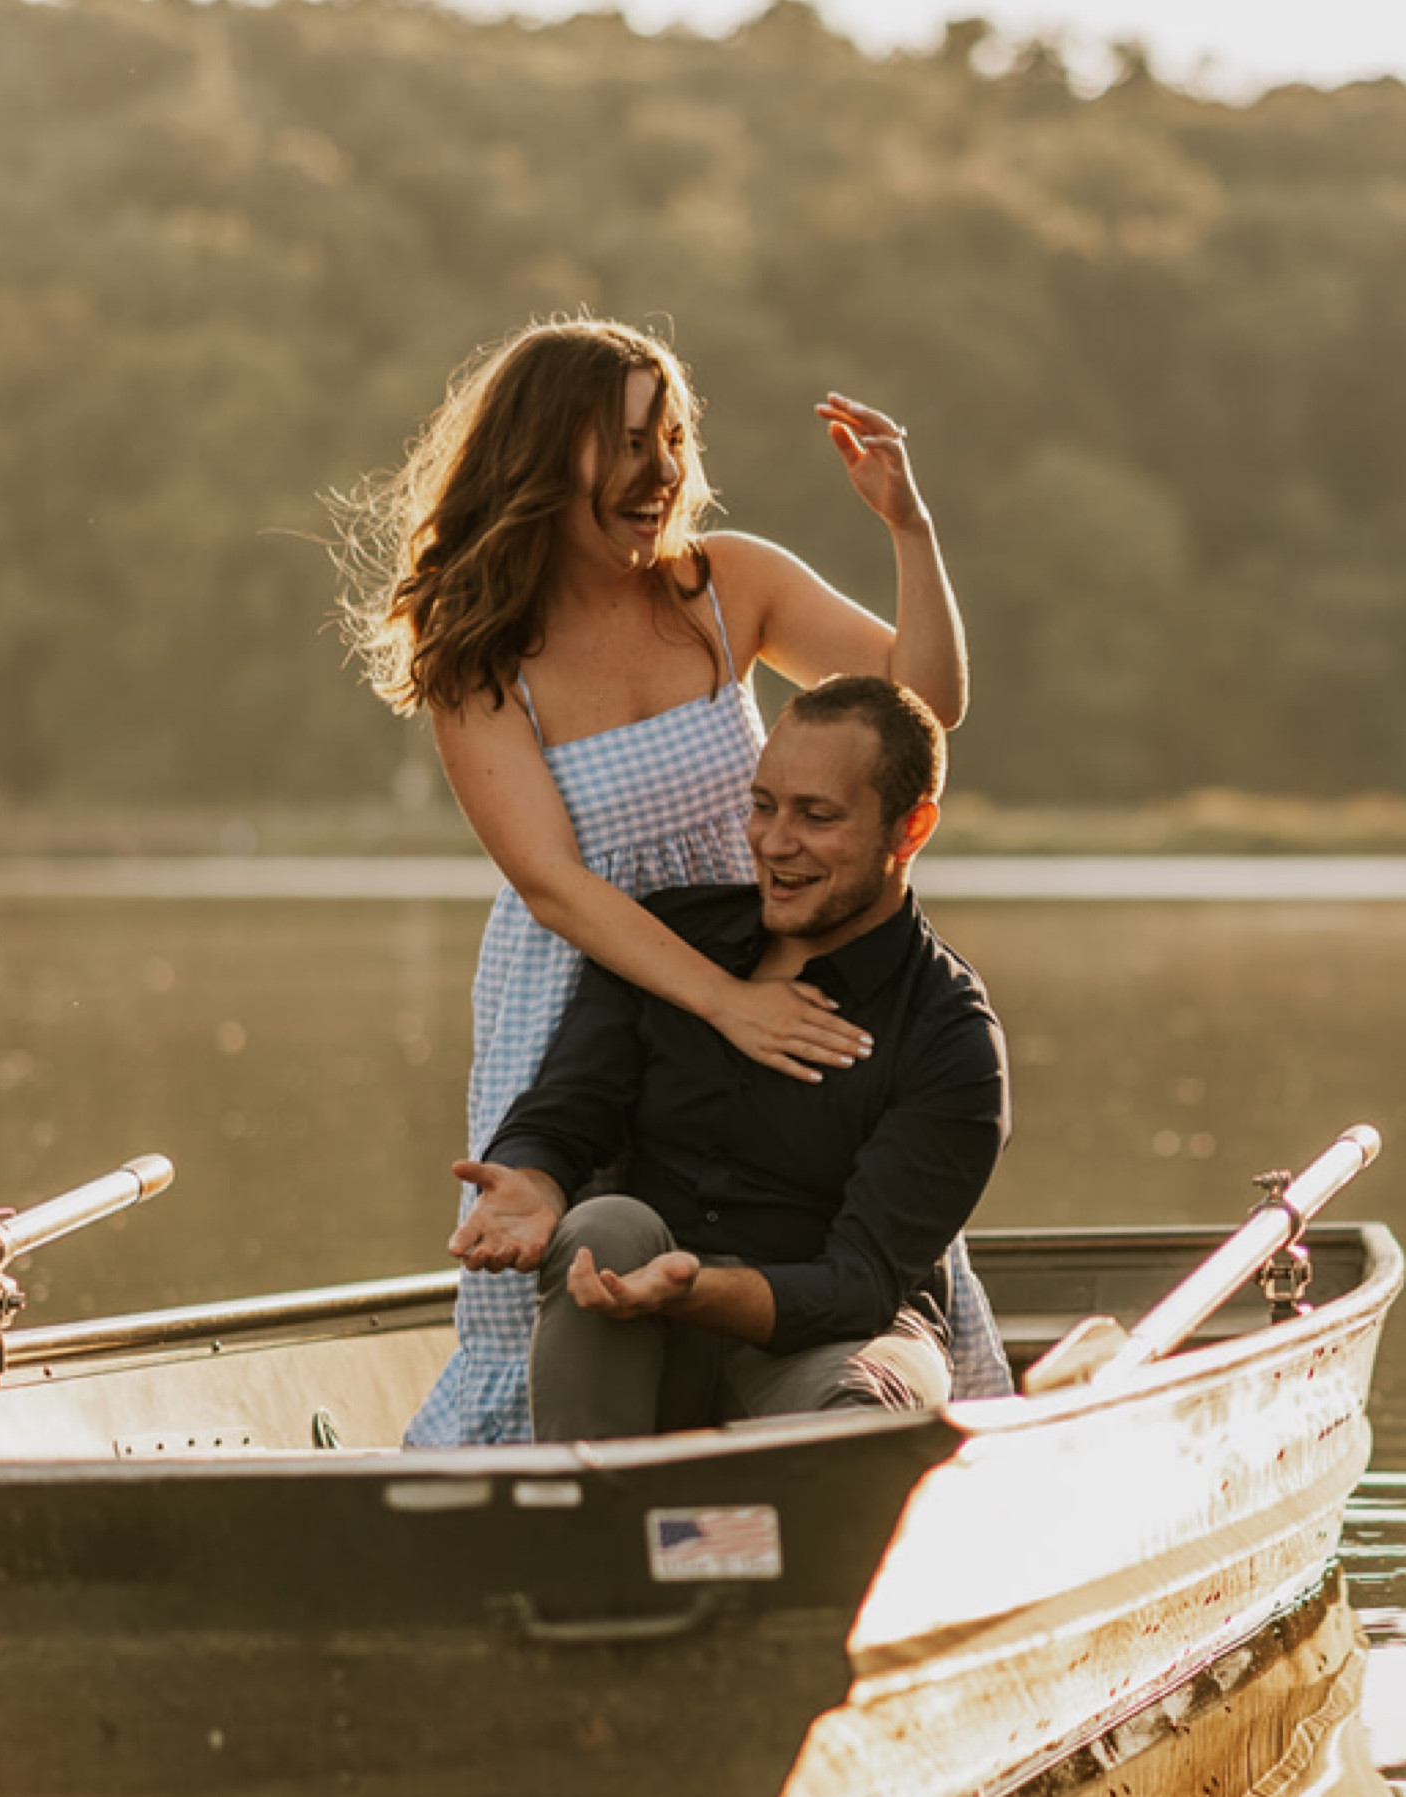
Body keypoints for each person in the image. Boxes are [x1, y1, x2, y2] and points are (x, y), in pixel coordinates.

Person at [337, 314, 990, 1445]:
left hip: (767, 944)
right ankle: (557, 1492)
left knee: (817, 1223)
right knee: (576, 1247)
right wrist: (723, 1003)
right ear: (548, 452)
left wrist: (909, 525)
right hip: (594, 977)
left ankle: (819, 1439)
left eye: (675, 439)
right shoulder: (483, 647)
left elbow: (921, 703)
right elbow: (553, 885)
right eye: (631, 443)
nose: (663, 473)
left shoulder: (724, 585)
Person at [449, 678, 1012, 1438]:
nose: (775, 843)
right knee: (603, 1225)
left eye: (817, 817)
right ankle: (592, 1530)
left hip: (829, 1341)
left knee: (858, 1405)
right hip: (643, 1331)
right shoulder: (670, 941)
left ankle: (798, 1541)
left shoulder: (951, 1035)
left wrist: (695, 1289)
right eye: (762, 805)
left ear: (909, 831)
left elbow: (859, 1286)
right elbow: (567, 1110)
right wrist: (535, 1180)